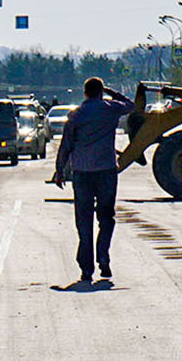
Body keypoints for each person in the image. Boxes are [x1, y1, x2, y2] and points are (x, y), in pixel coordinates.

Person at [52, 77, 136, 286]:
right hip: (106, 171)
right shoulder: (109, 108)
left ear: (84, 93)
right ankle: (103, 255)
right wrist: (112, 92)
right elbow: (131, 105)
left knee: (84, 221)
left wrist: (59, 170)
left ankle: (86, 269)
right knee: (106, 217)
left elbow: (66, 145)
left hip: (82, 173)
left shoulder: (76, 115)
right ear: (101, 92)